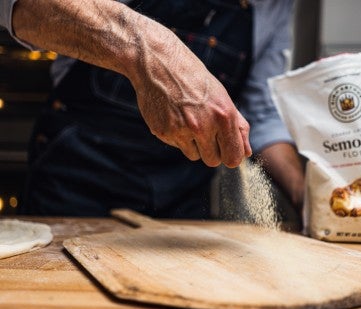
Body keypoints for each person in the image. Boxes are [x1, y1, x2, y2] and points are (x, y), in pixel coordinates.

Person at [0, 0, 304, 220]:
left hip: (182, 202)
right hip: (73, 183)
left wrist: (305, 195)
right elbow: (19, 6)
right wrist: (150, 51)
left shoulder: (274, 7)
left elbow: (262, 116)